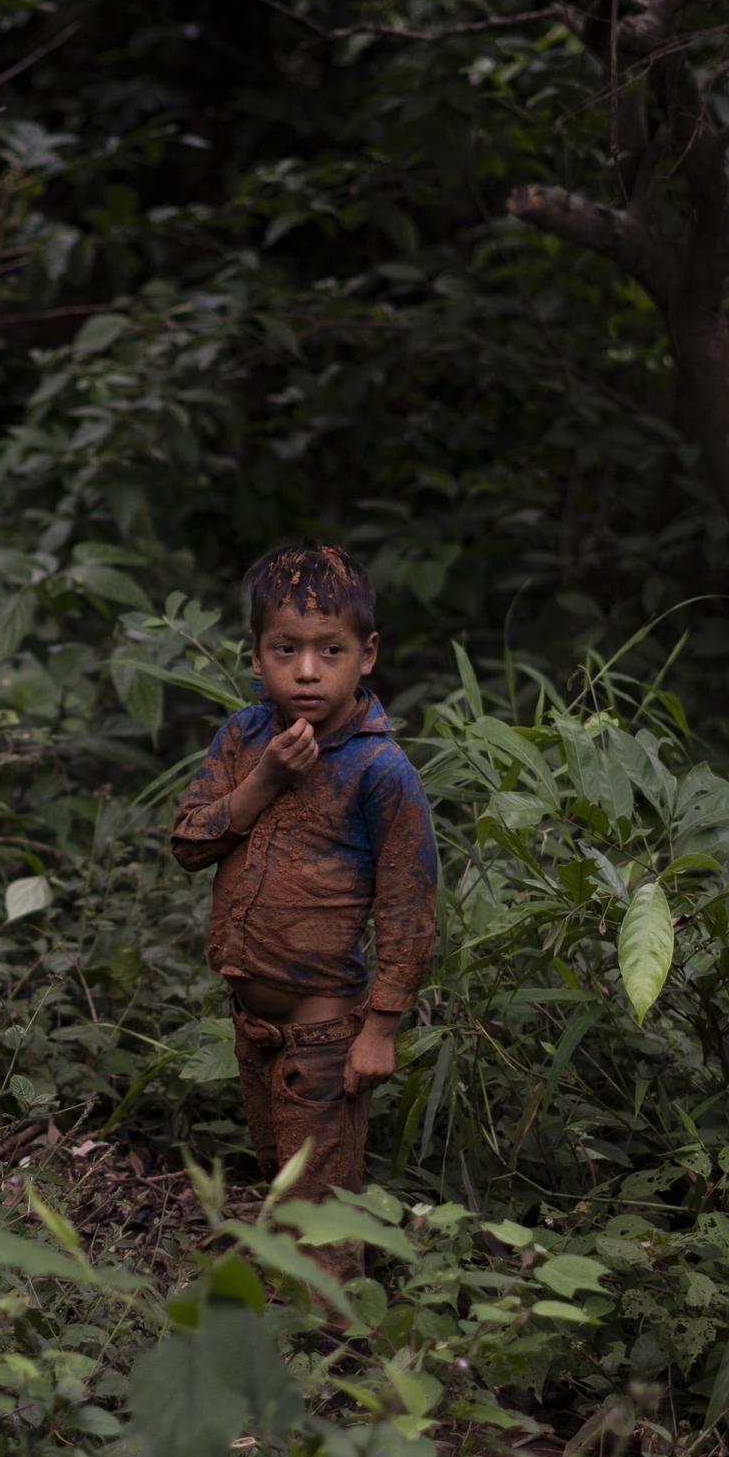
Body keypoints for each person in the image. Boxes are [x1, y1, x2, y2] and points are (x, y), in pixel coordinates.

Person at [170, 543, 437, 1280]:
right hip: (252, 1023)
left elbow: (410, 907)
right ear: (257, 655)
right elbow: (189, 844)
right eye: (285, 649)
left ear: (367, 653)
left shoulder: (380, 771)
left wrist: (381, 1026)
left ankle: (334, 1348)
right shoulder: (245, 737)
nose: (308, 671)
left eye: (331, 650)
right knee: (279, 1177)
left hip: (323, 1029)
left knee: (318, 1205)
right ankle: (295, 1320)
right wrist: (263, 781)